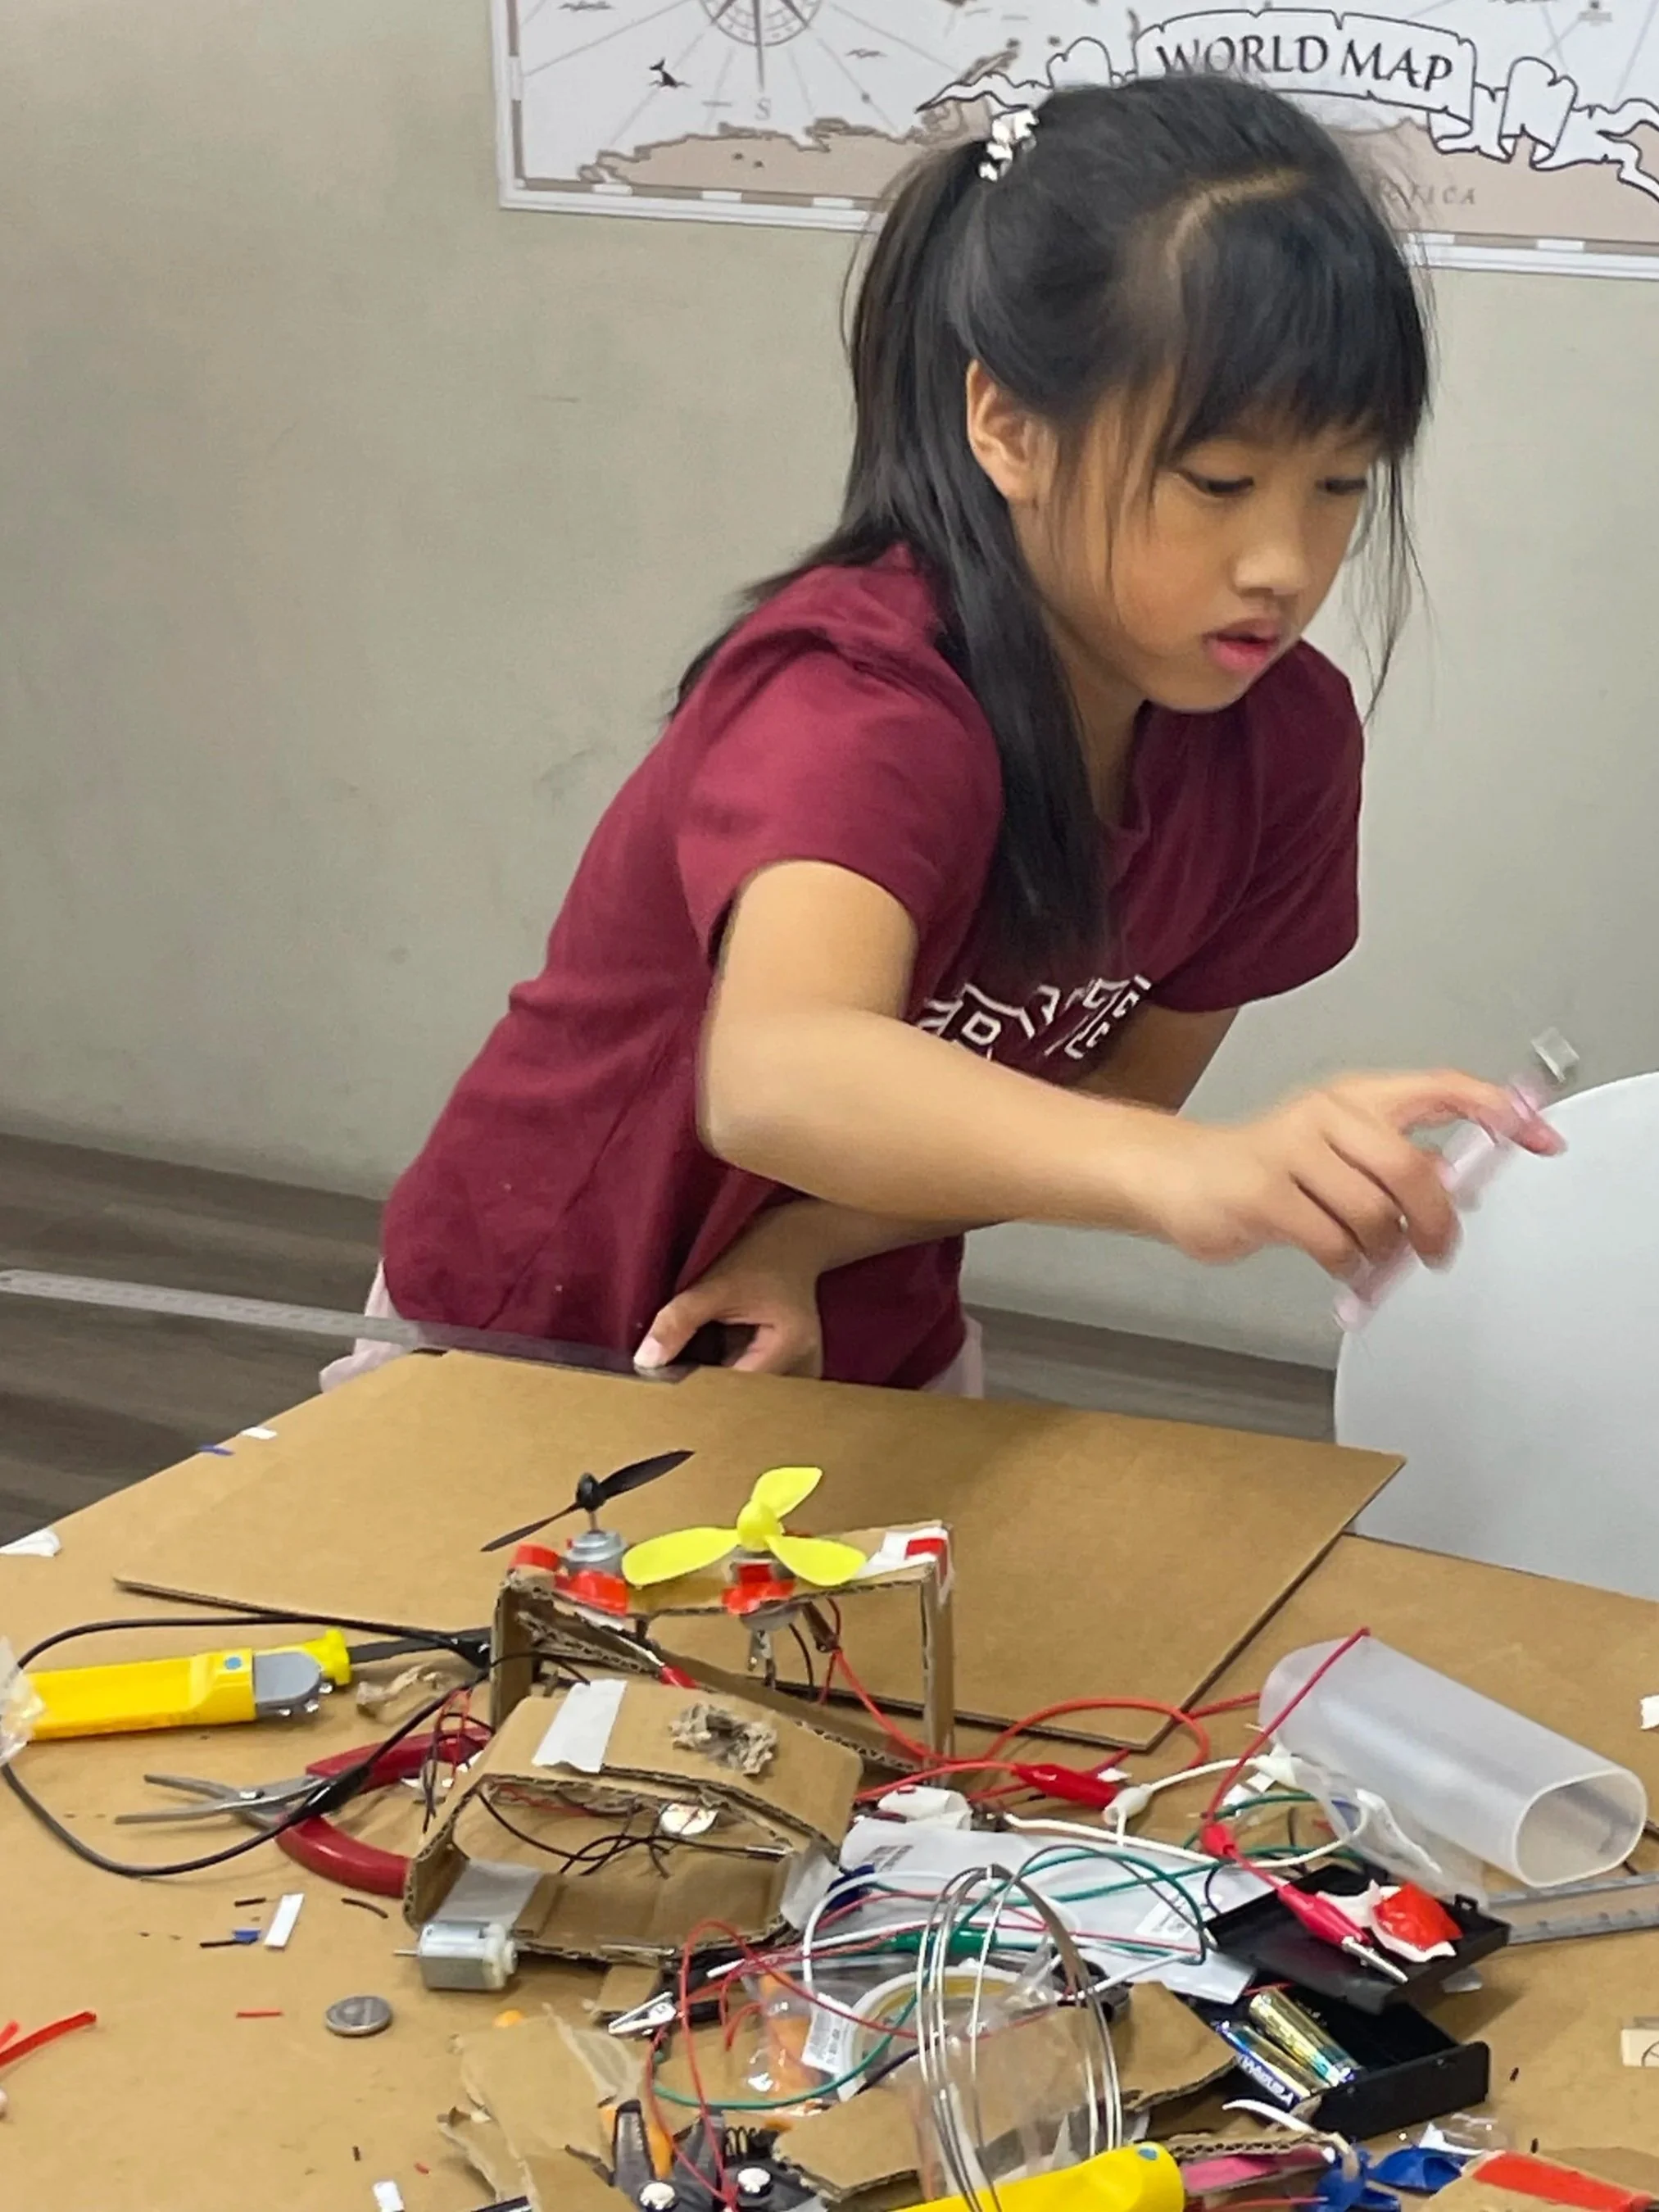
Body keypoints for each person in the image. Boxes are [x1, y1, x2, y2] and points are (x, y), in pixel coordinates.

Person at [340, 75, 1558, 1398]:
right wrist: (1198, 1172)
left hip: (855, 1324)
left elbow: (1112, 1099)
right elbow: (778, 1073)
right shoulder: (862, 701)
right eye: (1218, 482)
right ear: (1010, 429)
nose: (1284, 560)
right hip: (533, 1325)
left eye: (1338, 484)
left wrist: (807, 1244)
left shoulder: (1286, 746)